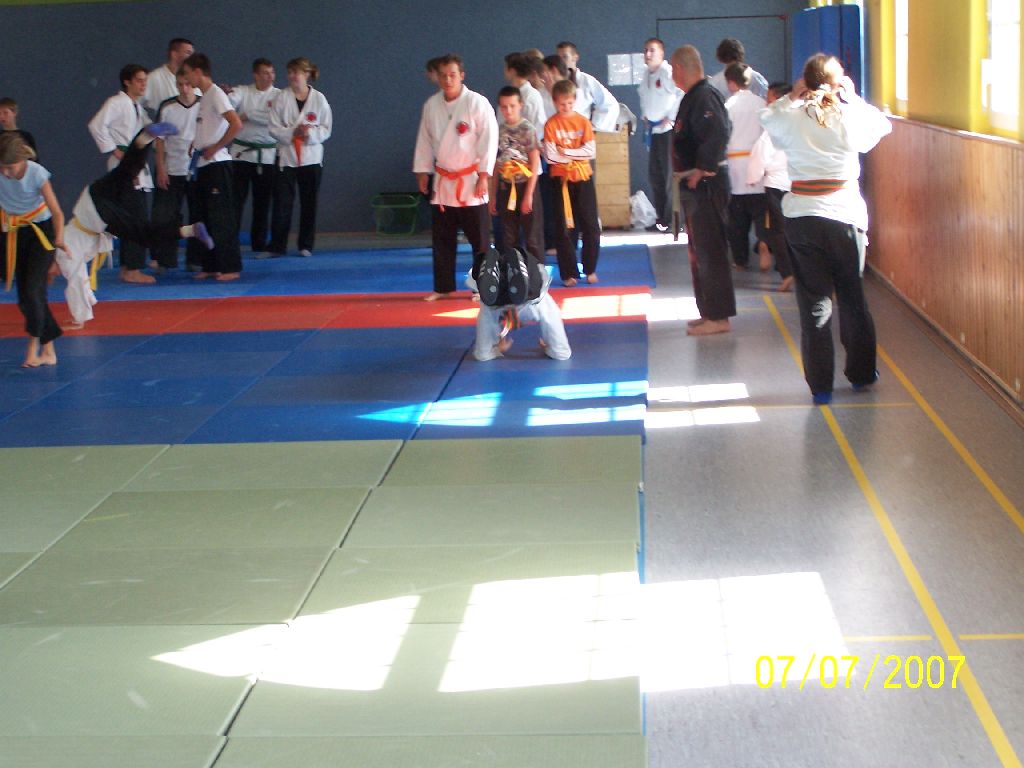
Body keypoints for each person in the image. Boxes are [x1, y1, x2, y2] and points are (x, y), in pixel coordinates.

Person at [760, 54, 892, 404]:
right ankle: (861, 374)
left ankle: (820, 386)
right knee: (852, 297)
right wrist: (853, 97)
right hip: (844, 217)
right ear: (837, 83)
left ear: (805, 81)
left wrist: (793, 96)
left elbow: (766, 117)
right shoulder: (848, 115)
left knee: (814, 303)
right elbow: (882, 125)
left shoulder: (791, 116)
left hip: (803, 218)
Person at [59, 124, 214, 329]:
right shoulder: (65, 244)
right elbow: (81, 278)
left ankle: (189, 230)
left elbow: (76, 282)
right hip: (91, 197)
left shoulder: (63, 255)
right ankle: (145, 137)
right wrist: (88, 301)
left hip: (95, 216)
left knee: (145, 234)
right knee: (126, 171)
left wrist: (78, 319)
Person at [413, 52, 497, 301]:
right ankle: (442, 286)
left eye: (452, 75)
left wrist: (484, 175)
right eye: (443, 76)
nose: (448, 80)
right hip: (443, 182)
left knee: (479, 240)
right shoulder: (431, 105)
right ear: (437, 78)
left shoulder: (477, 102)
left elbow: (489, 139)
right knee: (442, 239)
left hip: (471, 180)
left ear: (462, 75)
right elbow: (424, 140)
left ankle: (483, 287)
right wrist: (423, 171)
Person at [670, 45, 736, 336]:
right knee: (700, 252)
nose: (672, 75)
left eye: (673, 70)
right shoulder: (694, 97)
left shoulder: (705, 96)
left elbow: (719, 132)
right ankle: (708, 311)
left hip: (707, 185)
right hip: (696, 187)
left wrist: (702, 168)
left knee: (711, 252)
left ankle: (719, 317)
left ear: (680, 69)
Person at [87, 64, 155, 284]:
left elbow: (148, 131)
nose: (143, 85)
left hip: (132, 163)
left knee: (131, 217)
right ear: (127, 81)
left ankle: (127, 267)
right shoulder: (116, 102)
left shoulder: (137, 107)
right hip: (124, 165)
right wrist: (116, 151)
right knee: (136, 217)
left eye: (145, 81)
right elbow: (96, 126)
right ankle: (132, 268)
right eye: (139, 80)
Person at [0, 133, 63, 367]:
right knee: (25, 298)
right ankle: (49, 350)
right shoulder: (1, 172)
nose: (6, 172)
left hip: (41, 234)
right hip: (14, 232)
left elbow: (57, 213)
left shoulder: (37, 173)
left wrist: (59, 241)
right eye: (2, 167)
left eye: (10, 167)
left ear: (23, 160)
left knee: (33, 291)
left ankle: (33, 346)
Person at [180, 52, 243, 281]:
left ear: (198, 72)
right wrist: (196, 144)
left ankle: (230, 267)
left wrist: (216, 147)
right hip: (203, 163)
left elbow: (236, 124)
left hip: (217, 165)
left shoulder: (216, 94)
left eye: (188, 74)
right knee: (203, 216)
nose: (187, 79)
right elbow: (208, 128)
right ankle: (211, 265)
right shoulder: (204, 97)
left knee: (221, 217)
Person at [268, 57, 332, 258]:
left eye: (295, 72)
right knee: (282, 204)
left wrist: (309, 134)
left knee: (309, 203)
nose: (292, 76)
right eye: (289, 72)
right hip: (286, 158)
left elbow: (326, 129)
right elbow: (273, 128)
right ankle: (277, 246)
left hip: (311, 158)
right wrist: (292, 132)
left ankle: (306, 245)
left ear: (306, 74)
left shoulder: (319, 99)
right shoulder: (281, 97)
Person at [469, 246, 571, 361]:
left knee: (488, 307)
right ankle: (521, 276)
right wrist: (552, 348)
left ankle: (501, 276)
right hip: (531, 300)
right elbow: (552, 320)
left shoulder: (490, 301)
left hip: (496, 302)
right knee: (547, 309)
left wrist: (495, 350)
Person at [544, 79, 600, 286]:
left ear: (575, 100)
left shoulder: (583, 122)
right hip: (561, 180)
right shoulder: (551, 124)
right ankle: (569, 273)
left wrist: (566, 152)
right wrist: (575, 153)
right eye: (561, 104)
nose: (565, 107)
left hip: (583, 177)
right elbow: (551, 156)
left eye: (569, 103)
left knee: (590, 225)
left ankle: (590, 268)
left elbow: (590, 151)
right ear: (554, 102)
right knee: (564, 227)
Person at [227, 58, 280, 255]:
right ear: (255, 75)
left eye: (272, 72)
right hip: (241, 154)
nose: (270, 76)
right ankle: (230, 241)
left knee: (263, 203)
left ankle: (259, 243)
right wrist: (226, 98)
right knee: (235, 201)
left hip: (266, 156)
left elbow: (274, 118)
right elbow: (227, 106)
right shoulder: (242, 91)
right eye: (265, 73)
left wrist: (247, 115)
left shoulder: (280, 95)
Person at [151, 71, 202, 272]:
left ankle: (195, 259)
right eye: (180, 84)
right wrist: (161, 168)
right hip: (171, 169)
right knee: (165, 216)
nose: (184, 89)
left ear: (194, 84)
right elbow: (159, 141)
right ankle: (165, 259)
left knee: (198, 214)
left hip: (196, 168)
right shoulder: (167, 107)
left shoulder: (204, 104)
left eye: (188, 84)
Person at [747, 82, 795, 292]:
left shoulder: (774, 127)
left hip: (776, 185)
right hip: (800, 184)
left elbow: (761, 154)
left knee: (777, 231)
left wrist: (753, 176)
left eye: (770, 100)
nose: (767, 104)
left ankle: (787, 273)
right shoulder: (801, 121)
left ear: (780, 101)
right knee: (800, 231)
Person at [723, 63, 769, 272]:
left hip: (735, 164)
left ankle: (740, 260)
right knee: (761, 212)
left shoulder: (728, 106)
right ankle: (764, 242)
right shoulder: (762, 104)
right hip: (758, 162)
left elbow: (724, 134)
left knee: (737, 218)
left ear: (731, 83)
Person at [491, 86, 543, 264]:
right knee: (508, 236)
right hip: (506, 187)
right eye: (504, 107)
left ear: (520, 105)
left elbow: (535, 163)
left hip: (525, 185)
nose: (508, 110)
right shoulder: (499, 131)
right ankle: (513, 272)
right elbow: (496, 165)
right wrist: (493, 195)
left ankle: (537, 275)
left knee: (532, 236)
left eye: (512, 106)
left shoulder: (528, 129)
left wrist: (528, 195)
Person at [637, 37, 683, 233]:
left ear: (662, 53)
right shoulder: (645, 74)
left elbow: (681, 93)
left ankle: (674, 221)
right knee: (656, 176)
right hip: (654, 131)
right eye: (646, 50)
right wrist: (645, 117)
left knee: (669, 177)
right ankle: (662, 219)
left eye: (652, 50)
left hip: (668, 132)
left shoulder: (667, 72)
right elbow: (644, 98)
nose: (648, 54)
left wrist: (671, 117)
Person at [555, 41, 619, 132]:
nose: (561, 61)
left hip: (581, 132)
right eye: (558, 58)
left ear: (575, 57)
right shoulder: (554, 81)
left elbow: (610, 104)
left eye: (565, 57)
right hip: (558, 132)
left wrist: (595, 126)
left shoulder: (586, 81)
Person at [142, 38, 195, 115]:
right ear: (174, 54)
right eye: (188, 53)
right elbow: (135, 103)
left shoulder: (194, 80)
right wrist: (147, 121)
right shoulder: (154, 78)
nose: (193, 58)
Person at [503, 53, 545, 142]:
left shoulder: (531, 95)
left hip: (526, 145)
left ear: (512, 71)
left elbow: (536, 126)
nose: (504, 71)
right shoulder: (508, 93)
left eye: (506, 68)